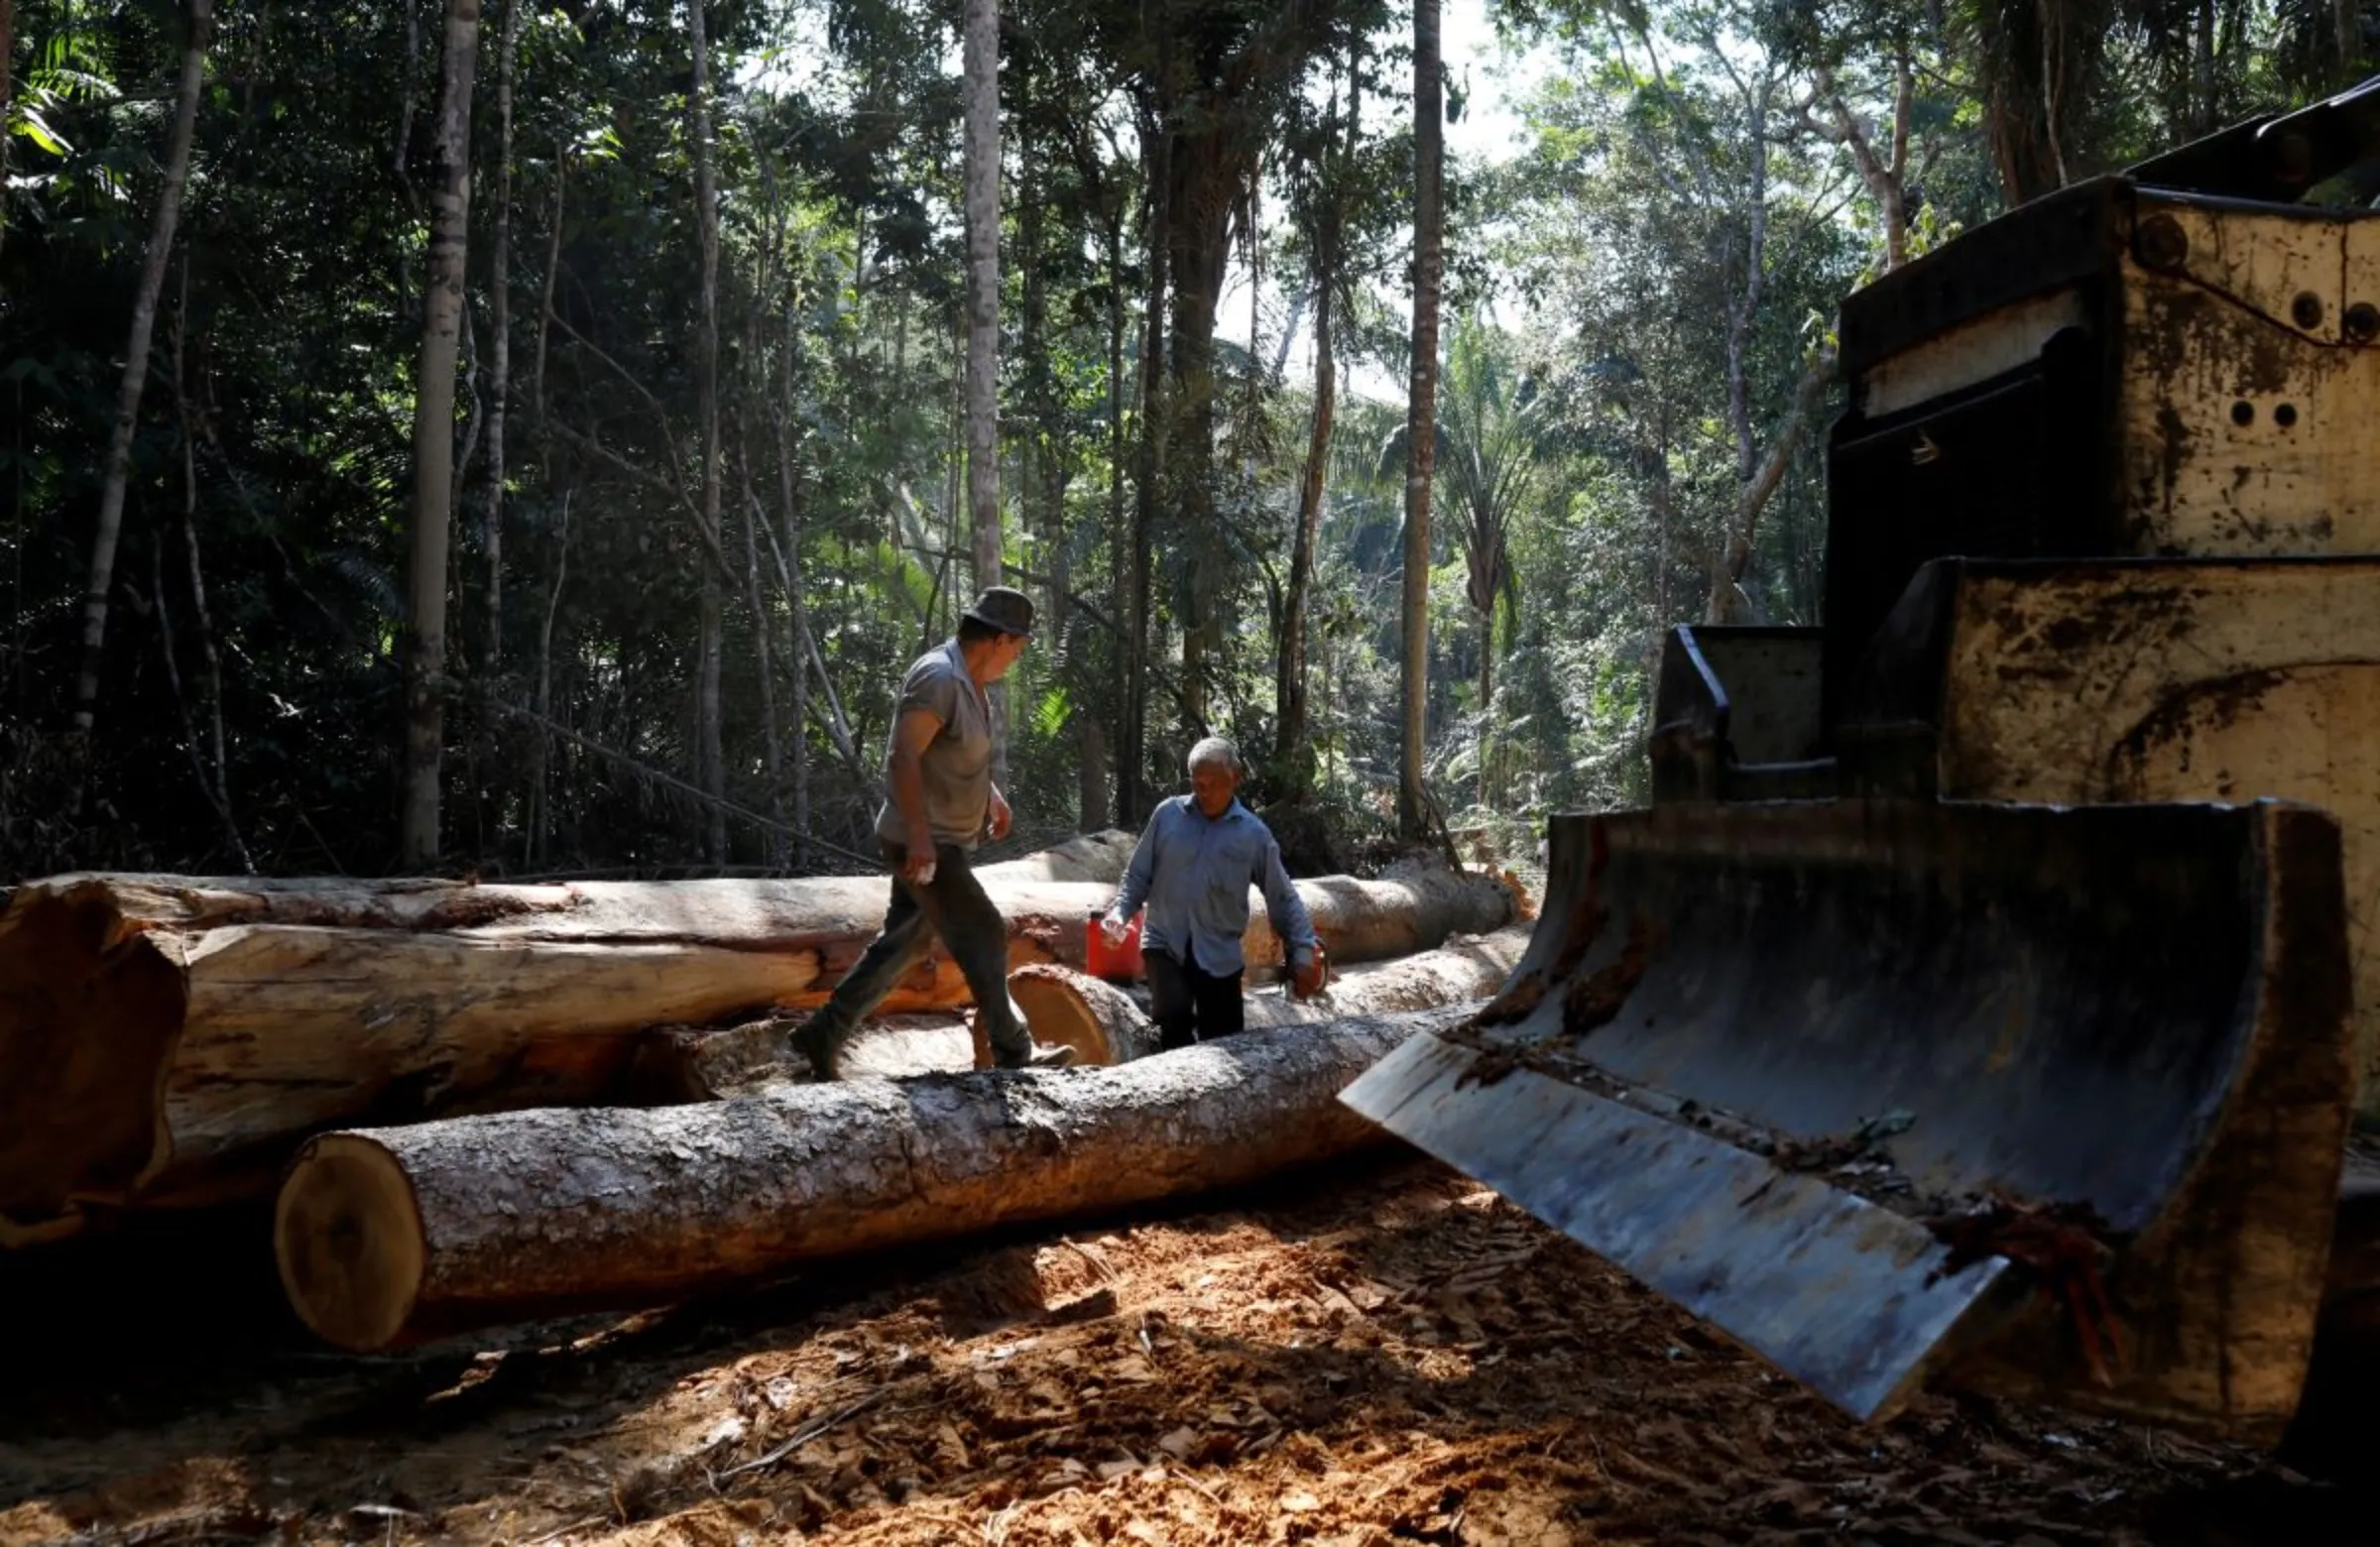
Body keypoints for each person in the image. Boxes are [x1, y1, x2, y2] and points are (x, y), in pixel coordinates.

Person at [794, 587, 1077, 1079]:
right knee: (984, 929)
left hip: (938, 840)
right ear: (1001, 639)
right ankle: (1015, 1054)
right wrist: (921, 838)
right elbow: (902, 757)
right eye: (1020, 648)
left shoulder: (970, 681)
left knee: (903, 943)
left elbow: (947, 753)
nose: (1018, 658)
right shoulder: (939, 678)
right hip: (924, 844)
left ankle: (822, 1034)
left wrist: (989, 793)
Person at [1101, 737, 1326, 1050]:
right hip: (1164, 944)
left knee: (1226, 1045)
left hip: (1220, 955)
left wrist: (1302, 950)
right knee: (1174, 1020)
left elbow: (1282, 896)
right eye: (1197, 783)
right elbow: (1138, 874)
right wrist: (1119, 914)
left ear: (1236, 778)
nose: (1204, 791)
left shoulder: (1253, 835)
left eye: (1214, 782)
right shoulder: (1167, 816)